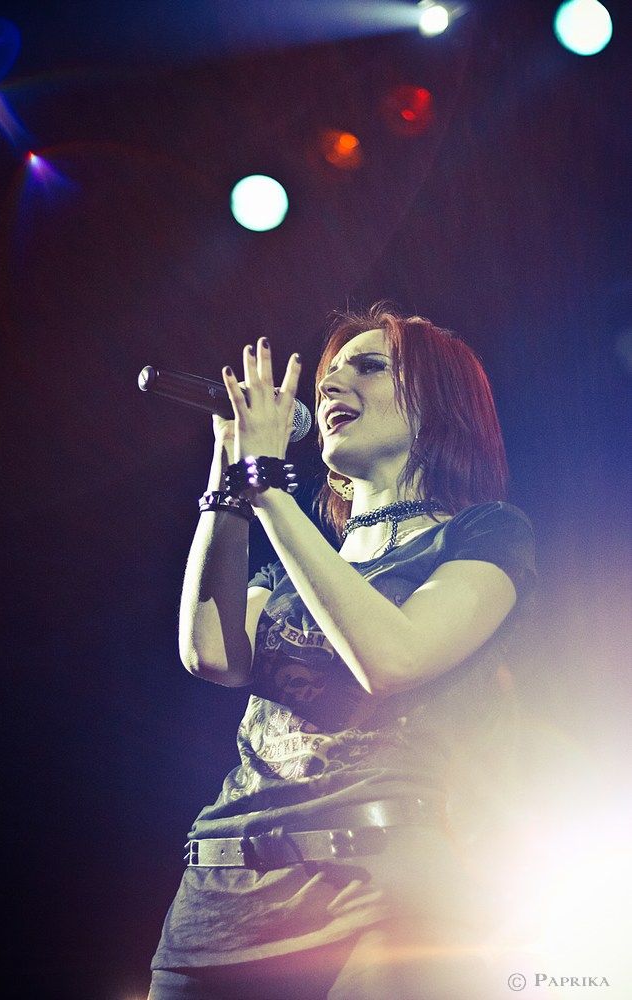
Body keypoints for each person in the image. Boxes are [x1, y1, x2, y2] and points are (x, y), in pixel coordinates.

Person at [147, 305, 537, 999]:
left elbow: (394, 659)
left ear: (438, 403)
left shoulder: (483, 535)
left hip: (379, 898)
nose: (328, 386)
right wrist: (230, 475)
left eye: (370, 366)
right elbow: (209, 652)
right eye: (328, 375)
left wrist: (267, 486)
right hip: (217, 905)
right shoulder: (294, 566)